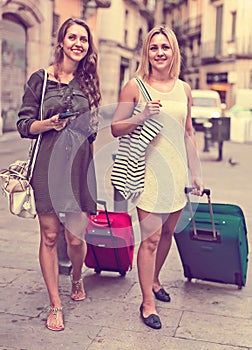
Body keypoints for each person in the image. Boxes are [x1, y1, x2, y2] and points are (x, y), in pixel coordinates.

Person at [111, 26, 204, 329]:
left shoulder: (185, 88)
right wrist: (140, 116)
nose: (160, 52)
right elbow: (115, 128)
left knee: (167, 233)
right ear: (146, 53)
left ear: (173, 51)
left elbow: (188, 132)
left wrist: (196, 172)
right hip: (148, 172)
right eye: (154, 47)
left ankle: (154, 280)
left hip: (177, 174)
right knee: (149, 239)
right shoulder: (134, 86)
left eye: (165, 47)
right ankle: (147, 303)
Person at [17, 18, 101, 331]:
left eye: (84, 39)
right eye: (73, 37)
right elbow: (24, 126)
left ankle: (77, 277)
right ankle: (55, 303)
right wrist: (48, 124)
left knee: (75, 238)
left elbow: (92, 133)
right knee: (50, 235)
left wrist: (93, 178)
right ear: (62, 41)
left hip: (78, 168)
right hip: (46, 165)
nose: (78, 43)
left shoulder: (90, 82)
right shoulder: (40, 79)